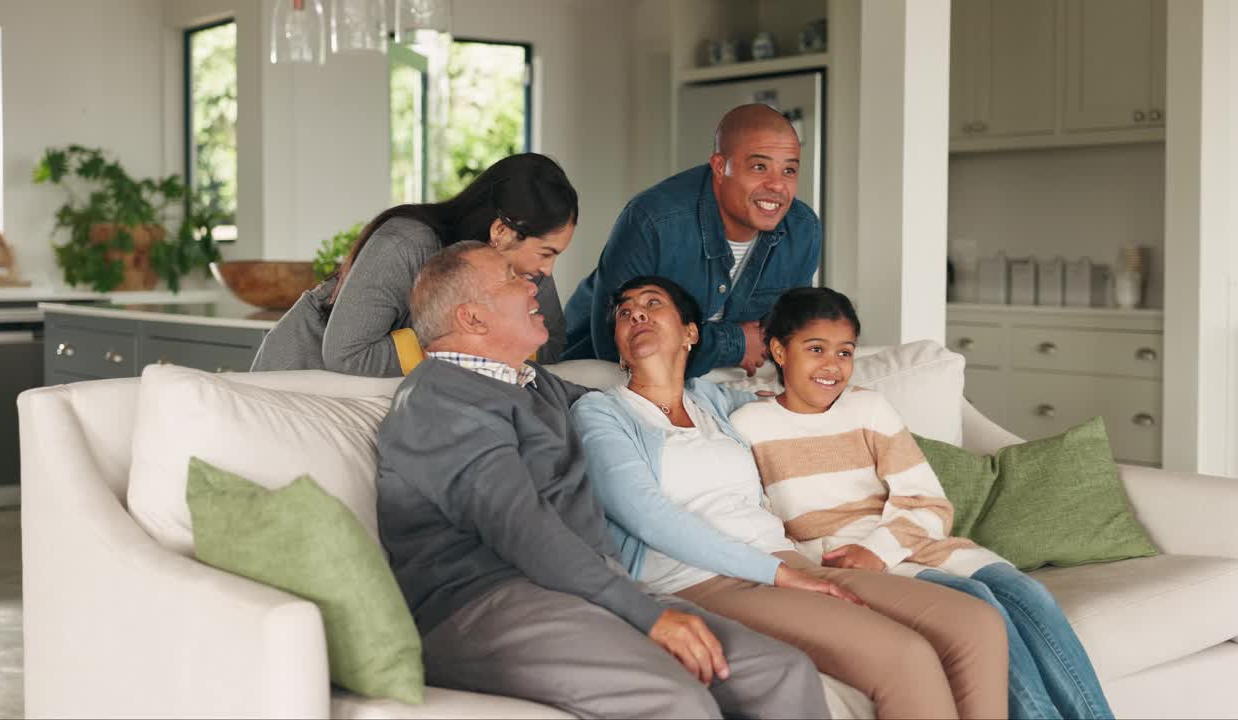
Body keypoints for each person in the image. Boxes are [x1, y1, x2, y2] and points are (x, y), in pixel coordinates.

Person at [373, 242, 832, 719]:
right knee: (676, 701)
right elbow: (523, 530)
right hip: (486, 605)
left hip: (581, 587)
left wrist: (765, 402)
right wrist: (647, 615)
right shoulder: (441, 400)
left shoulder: (531, 383)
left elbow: (637, 407)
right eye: (512, 277)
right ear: (472, 319)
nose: (533, 284)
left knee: (783, 672)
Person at [571, 276, 1009, 720]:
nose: (636, 314)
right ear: (619, 344)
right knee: (906, 657)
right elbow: (649, 519)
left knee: (978, 624)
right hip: (701, 582)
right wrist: (777, 574)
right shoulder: (602, 413)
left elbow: (791, 403)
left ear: (690, 333)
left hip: (787, 561)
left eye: (652, 304)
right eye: (624, 312)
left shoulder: (716, 403)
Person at [729, 286, 1114, 720]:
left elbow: (929, 500)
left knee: (1029, 594)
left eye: (845, 352)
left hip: (913, 543)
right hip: (841, 562)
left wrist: (878, 550)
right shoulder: (749, 426)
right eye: (815, 349)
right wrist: (835, 561)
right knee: (978, 604)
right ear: (779, 350)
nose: (832, 367)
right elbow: (756, 521)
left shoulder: (869, 408)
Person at [251, 152, 576, 376]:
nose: (548, 270)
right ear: (501, 231)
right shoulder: (406, 243)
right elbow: (347, 354)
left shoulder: (527, 270)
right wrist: (471, 348)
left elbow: (549, 343)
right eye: (546, 253)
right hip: (296, 381)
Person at [562, 103, 821, 378]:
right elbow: (616, 346)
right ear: (720, 167)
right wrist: (735, 343)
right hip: (602, 379)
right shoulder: (653, 221)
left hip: (718, 383)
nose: (777, 186)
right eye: (759, 167)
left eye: (789, 171)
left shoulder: (802, 230)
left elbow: (791, 333)